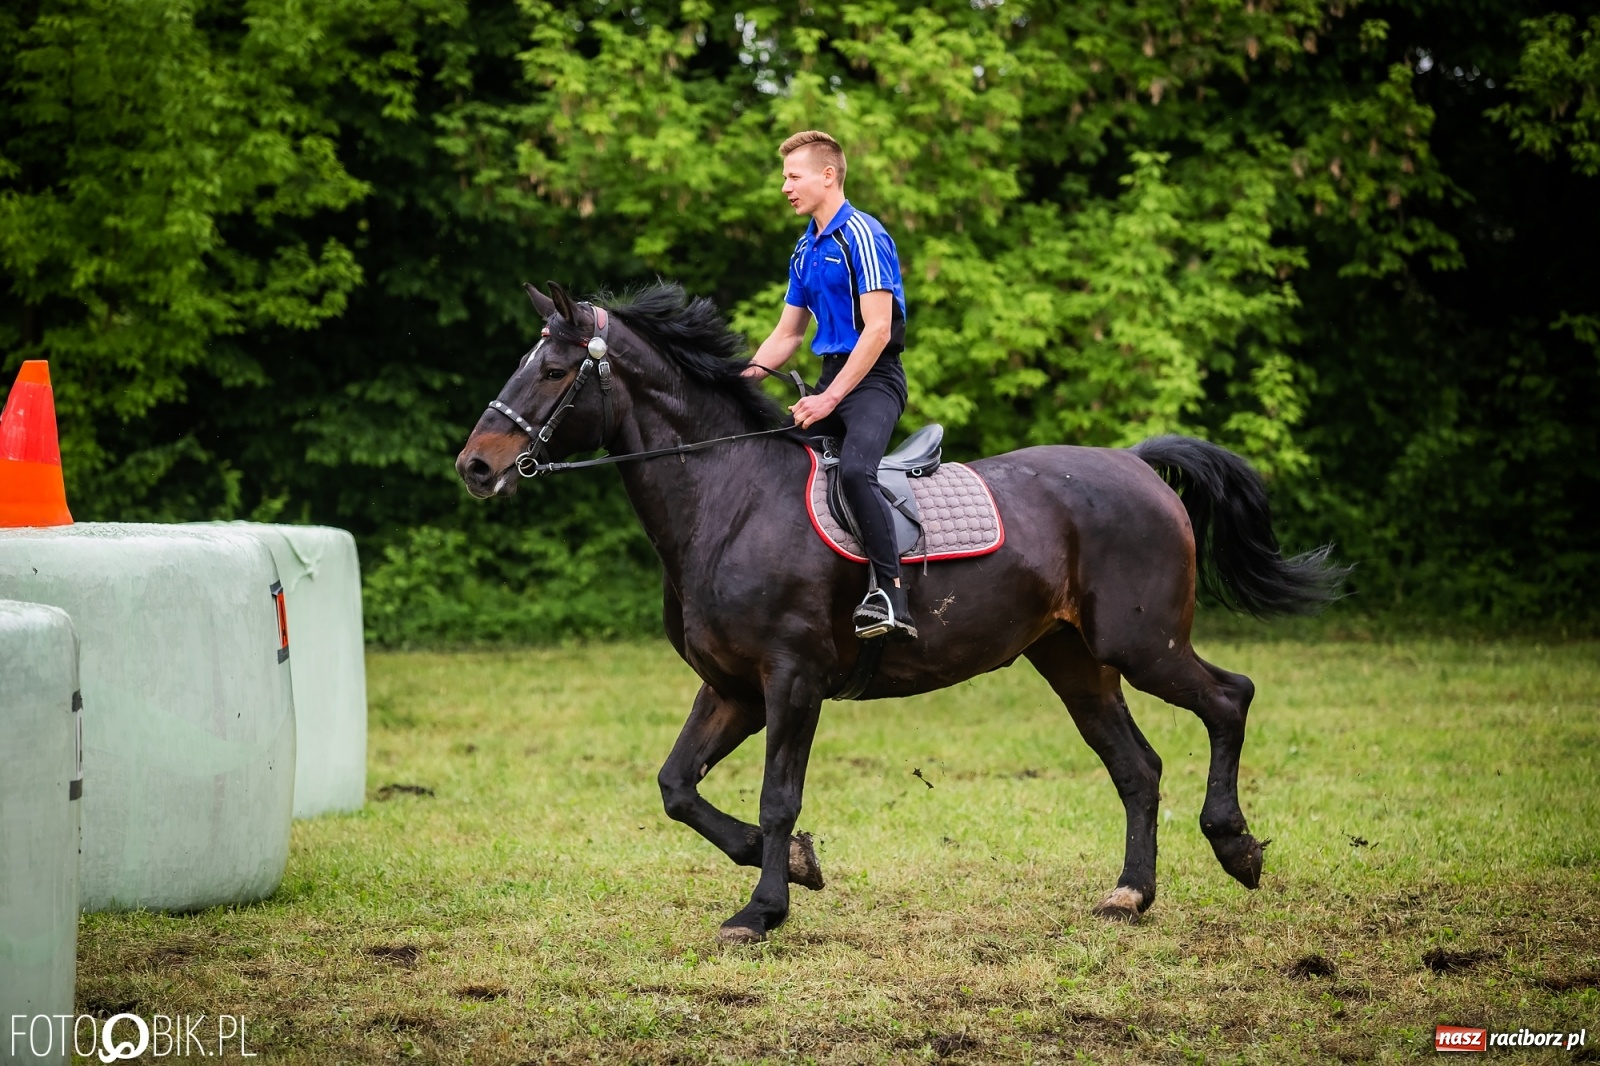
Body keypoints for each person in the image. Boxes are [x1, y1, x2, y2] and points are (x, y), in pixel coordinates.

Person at [743, 130, 916, 641]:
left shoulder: (863, 234)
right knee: (772, 461)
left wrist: (830, 399)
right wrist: (739, 378)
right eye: (784, 178)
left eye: (792, 177)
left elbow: (878, 330)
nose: (785, 187)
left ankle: (892, 596)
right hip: (828, 380)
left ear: (827, 175)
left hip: (875, 380)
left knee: (857, 471)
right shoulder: (804, 248)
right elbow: (788, 334)